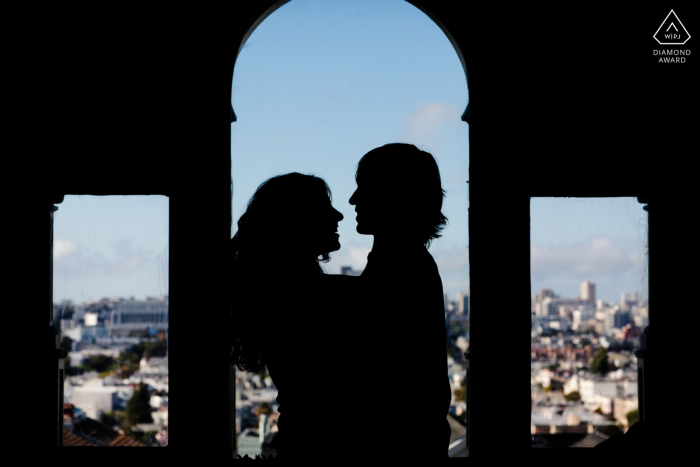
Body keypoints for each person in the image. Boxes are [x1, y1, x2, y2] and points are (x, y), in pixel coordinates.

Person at [229, 172, 356, 460]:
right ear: (294, 222)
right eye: (324, 208)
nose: (338, 215)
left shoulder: (271, 295)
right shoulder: (317, 297)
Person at [347, 143, 452, 460]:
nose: (353, 200)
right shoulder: (409, 263)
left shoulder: (399, 267)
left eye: (364, 188)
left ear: (393, 196)